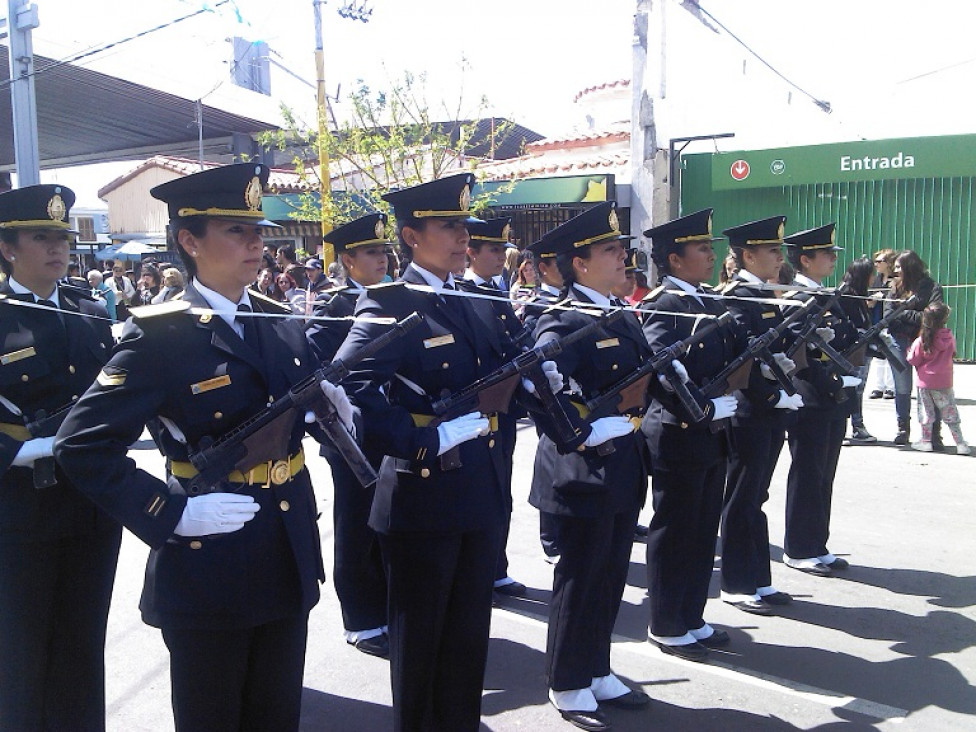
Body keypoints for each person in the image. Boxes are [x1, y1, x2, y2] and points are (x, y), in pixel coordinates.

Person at [55, 163, 354, 731]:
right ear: (190, 241)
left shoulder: (275, 320)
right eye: (237, 231)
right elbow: (82, 444)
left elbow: (306, 413)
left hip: (283, 542)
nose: (257, 243)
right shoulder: (160, 336)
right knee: (213, 715)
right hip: (209, 554)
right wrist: (172, 515)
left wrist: (338, 411)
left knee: (276, 714)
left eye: (259, 231)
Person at [333, 173, 543, 732]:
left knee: (469, 631)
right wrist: (424, 438)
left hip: (478, 485)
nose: (461, 237)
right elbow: (352, 390)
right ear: (410, 235)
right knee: (422, 636)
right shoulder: (390, 303)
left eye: (463, 227)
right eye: (448, 226)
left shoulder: (473, 297)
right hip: (424, 493)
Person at [0, 184, 122, 730]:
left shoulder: (90, 311)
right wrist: (20, 450)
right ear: (8, 248)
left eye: (62, 238)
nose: (57, 249)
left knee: (82, 644)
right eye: (41, 238)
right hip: (20, 514)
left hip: (92, 509)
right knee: (21, 654)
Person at [528, 201, 652, 731]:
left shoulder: (618, 313)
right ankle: (567, 679)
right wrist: (580, 431)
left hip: (623, 462)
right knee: (580, 579)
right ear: (579, 263)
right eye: (610, 251)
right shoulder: (562, 319)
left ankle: (596, 667)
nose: (622, 258)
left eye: (620, 249)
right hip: (582, 470)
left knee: (610, 576)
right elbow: (541, 376)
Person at [640, 209, 743, 662]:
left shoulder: (708, 301)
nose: (711, 254)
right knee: (676, 528)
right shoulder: (665, 303)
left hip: (712, 433)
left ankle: (692, 615)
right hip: (680, 433)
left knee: (703, 531)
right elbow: (661, 367)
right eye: (702, 248)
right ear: (675, 260)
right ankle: (666, 621)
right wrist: (700, 407)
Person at [307, 213, 393, 659]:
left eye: (384, 251)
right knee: (356, 527)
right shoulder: (334, 308)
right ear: (348, 260)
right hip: (348, 439)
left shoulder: (393, 299)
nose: (382, 259)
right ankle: (360, 619)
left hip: (387, 430)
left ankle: (383, 606)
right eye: (372, 252)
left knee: (385, 526)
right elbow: (318, 372)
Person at [717, 217, 803, 615]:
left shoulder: (766, 295)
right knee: (742, 496)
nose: (780, 257)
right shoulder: (738, 297)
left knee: (757, 495)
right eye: (772, 250)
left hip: (769, 410)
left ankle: (758, 579)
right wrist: (770, 393)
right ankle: (736, 583)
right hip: (749, 412)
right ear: (748, 255)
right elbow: (738, 361)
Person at [781, 223, 861, 577]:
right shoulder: (795, 299)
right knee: (808, 473)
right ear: (805, 260)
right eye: (826, 254)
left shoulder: (827, 296)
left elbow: (845, 337)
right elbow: (799, 355)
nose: (832, 259)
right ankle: (799, 547)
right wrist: (830, 377)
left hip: (834, 395)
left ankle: (817, 543)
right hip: (811, 396)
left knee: (825, 474)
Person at [463, 216, 527, 598]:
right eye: (493, 250)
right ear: (471, 252)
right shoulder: (462, 293)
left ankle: (496, 565)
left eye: (504, 250)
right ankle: (482, 566)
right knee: (482, 491)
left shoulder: (497, 293)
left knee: (502, 488)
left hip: (503, 408)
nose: (501, 257)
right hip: (476, 410)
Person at [886, 250, 944, 446]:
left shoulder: (932, 287)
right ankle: (903, 429)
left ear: (910, 267)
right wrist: (912, 315)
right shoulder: (893, 287)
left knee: (928, 388)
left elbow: (933, 315)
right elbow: (889, 315)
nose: (895, 270)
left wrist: (904, 312)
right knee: (902, 388)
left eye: (898, 266)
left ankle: (933, 433)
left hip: (925, 340)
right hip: (899, 340)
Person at [907, 302, 969, 454]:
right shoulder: (949, 337)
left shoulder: (922, 339)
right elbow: (953, 353)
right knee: (950, 412)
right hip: (944, 381)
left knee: (926, 413)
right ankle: (960, 443)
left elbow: (913, 359)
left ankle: (926, 441)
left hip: (925, 382)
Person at [841, 257, 877, 443]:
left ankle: (857, 425)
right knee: (850, 388)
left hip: (862, 349)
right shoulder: (847, 294)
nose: (874, 278)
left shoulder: (860, 294)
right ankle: (850, 426)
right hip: (850, 351)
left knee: (858, 389)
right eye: (871, 274)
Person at [867, 248, 897, 399]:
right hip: (876, 318)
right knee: (878, 354)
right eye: (876, 261)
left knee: (890, 353)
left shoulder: (895, 279)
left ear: (889, 263)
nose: (876, 264)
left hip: (890, 320)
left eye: (880, 261)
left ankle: (891, 388)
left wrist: (883, 296)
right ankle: (878, 387)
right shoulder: (877, 279)